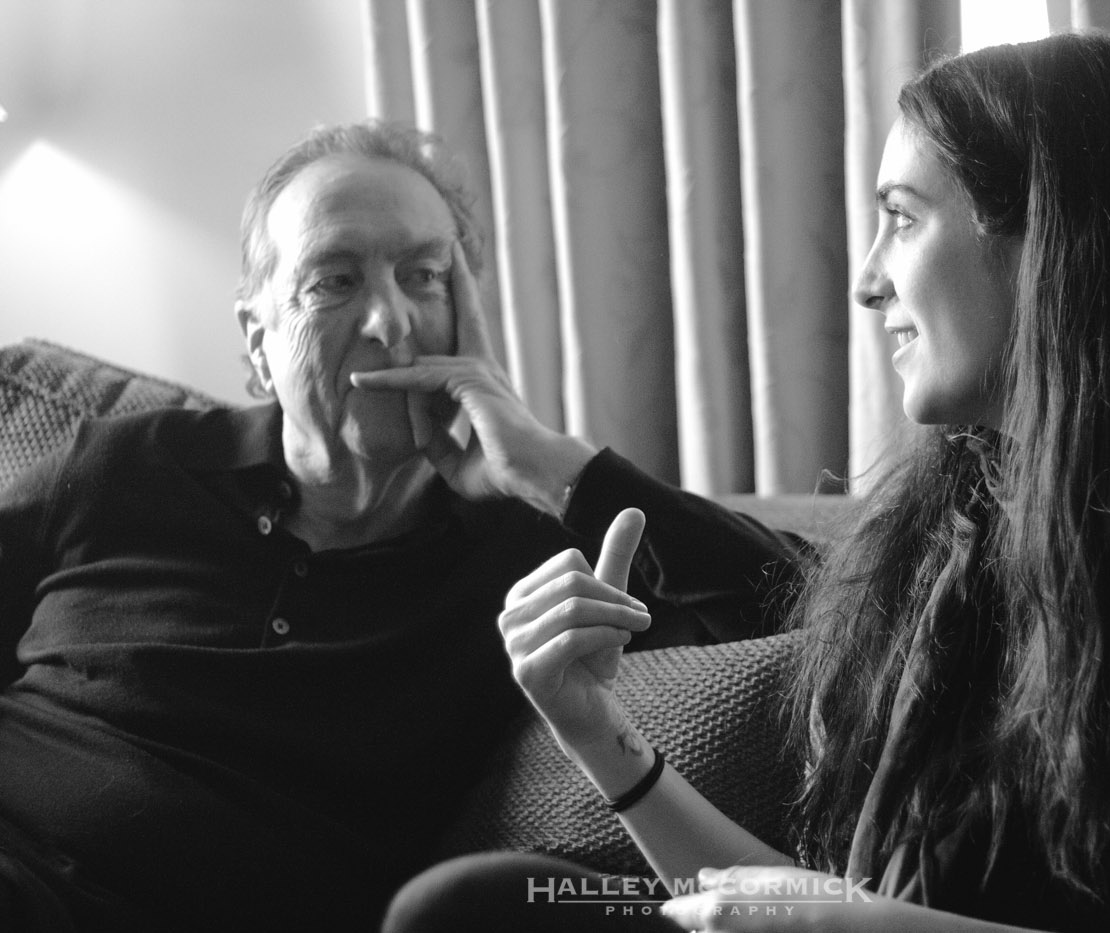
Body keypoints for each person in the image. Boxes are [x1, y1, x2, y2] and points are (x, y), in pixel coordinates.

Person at [390, 33, 1110, 932]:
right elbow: (792, 902)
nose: (867, 280)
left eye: (902, 219)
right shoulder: (956, 514)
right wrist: (599, 734)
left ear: (1048, 238)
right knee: (472, 907)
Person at [0, 122, 802, 932]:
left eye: (423, 276)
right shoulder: (123, 467)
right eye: (335, 280)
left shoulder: (526, 554)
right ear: (258, 340)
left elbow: (817, 607)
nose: (389, 320)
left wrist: (552, 465)